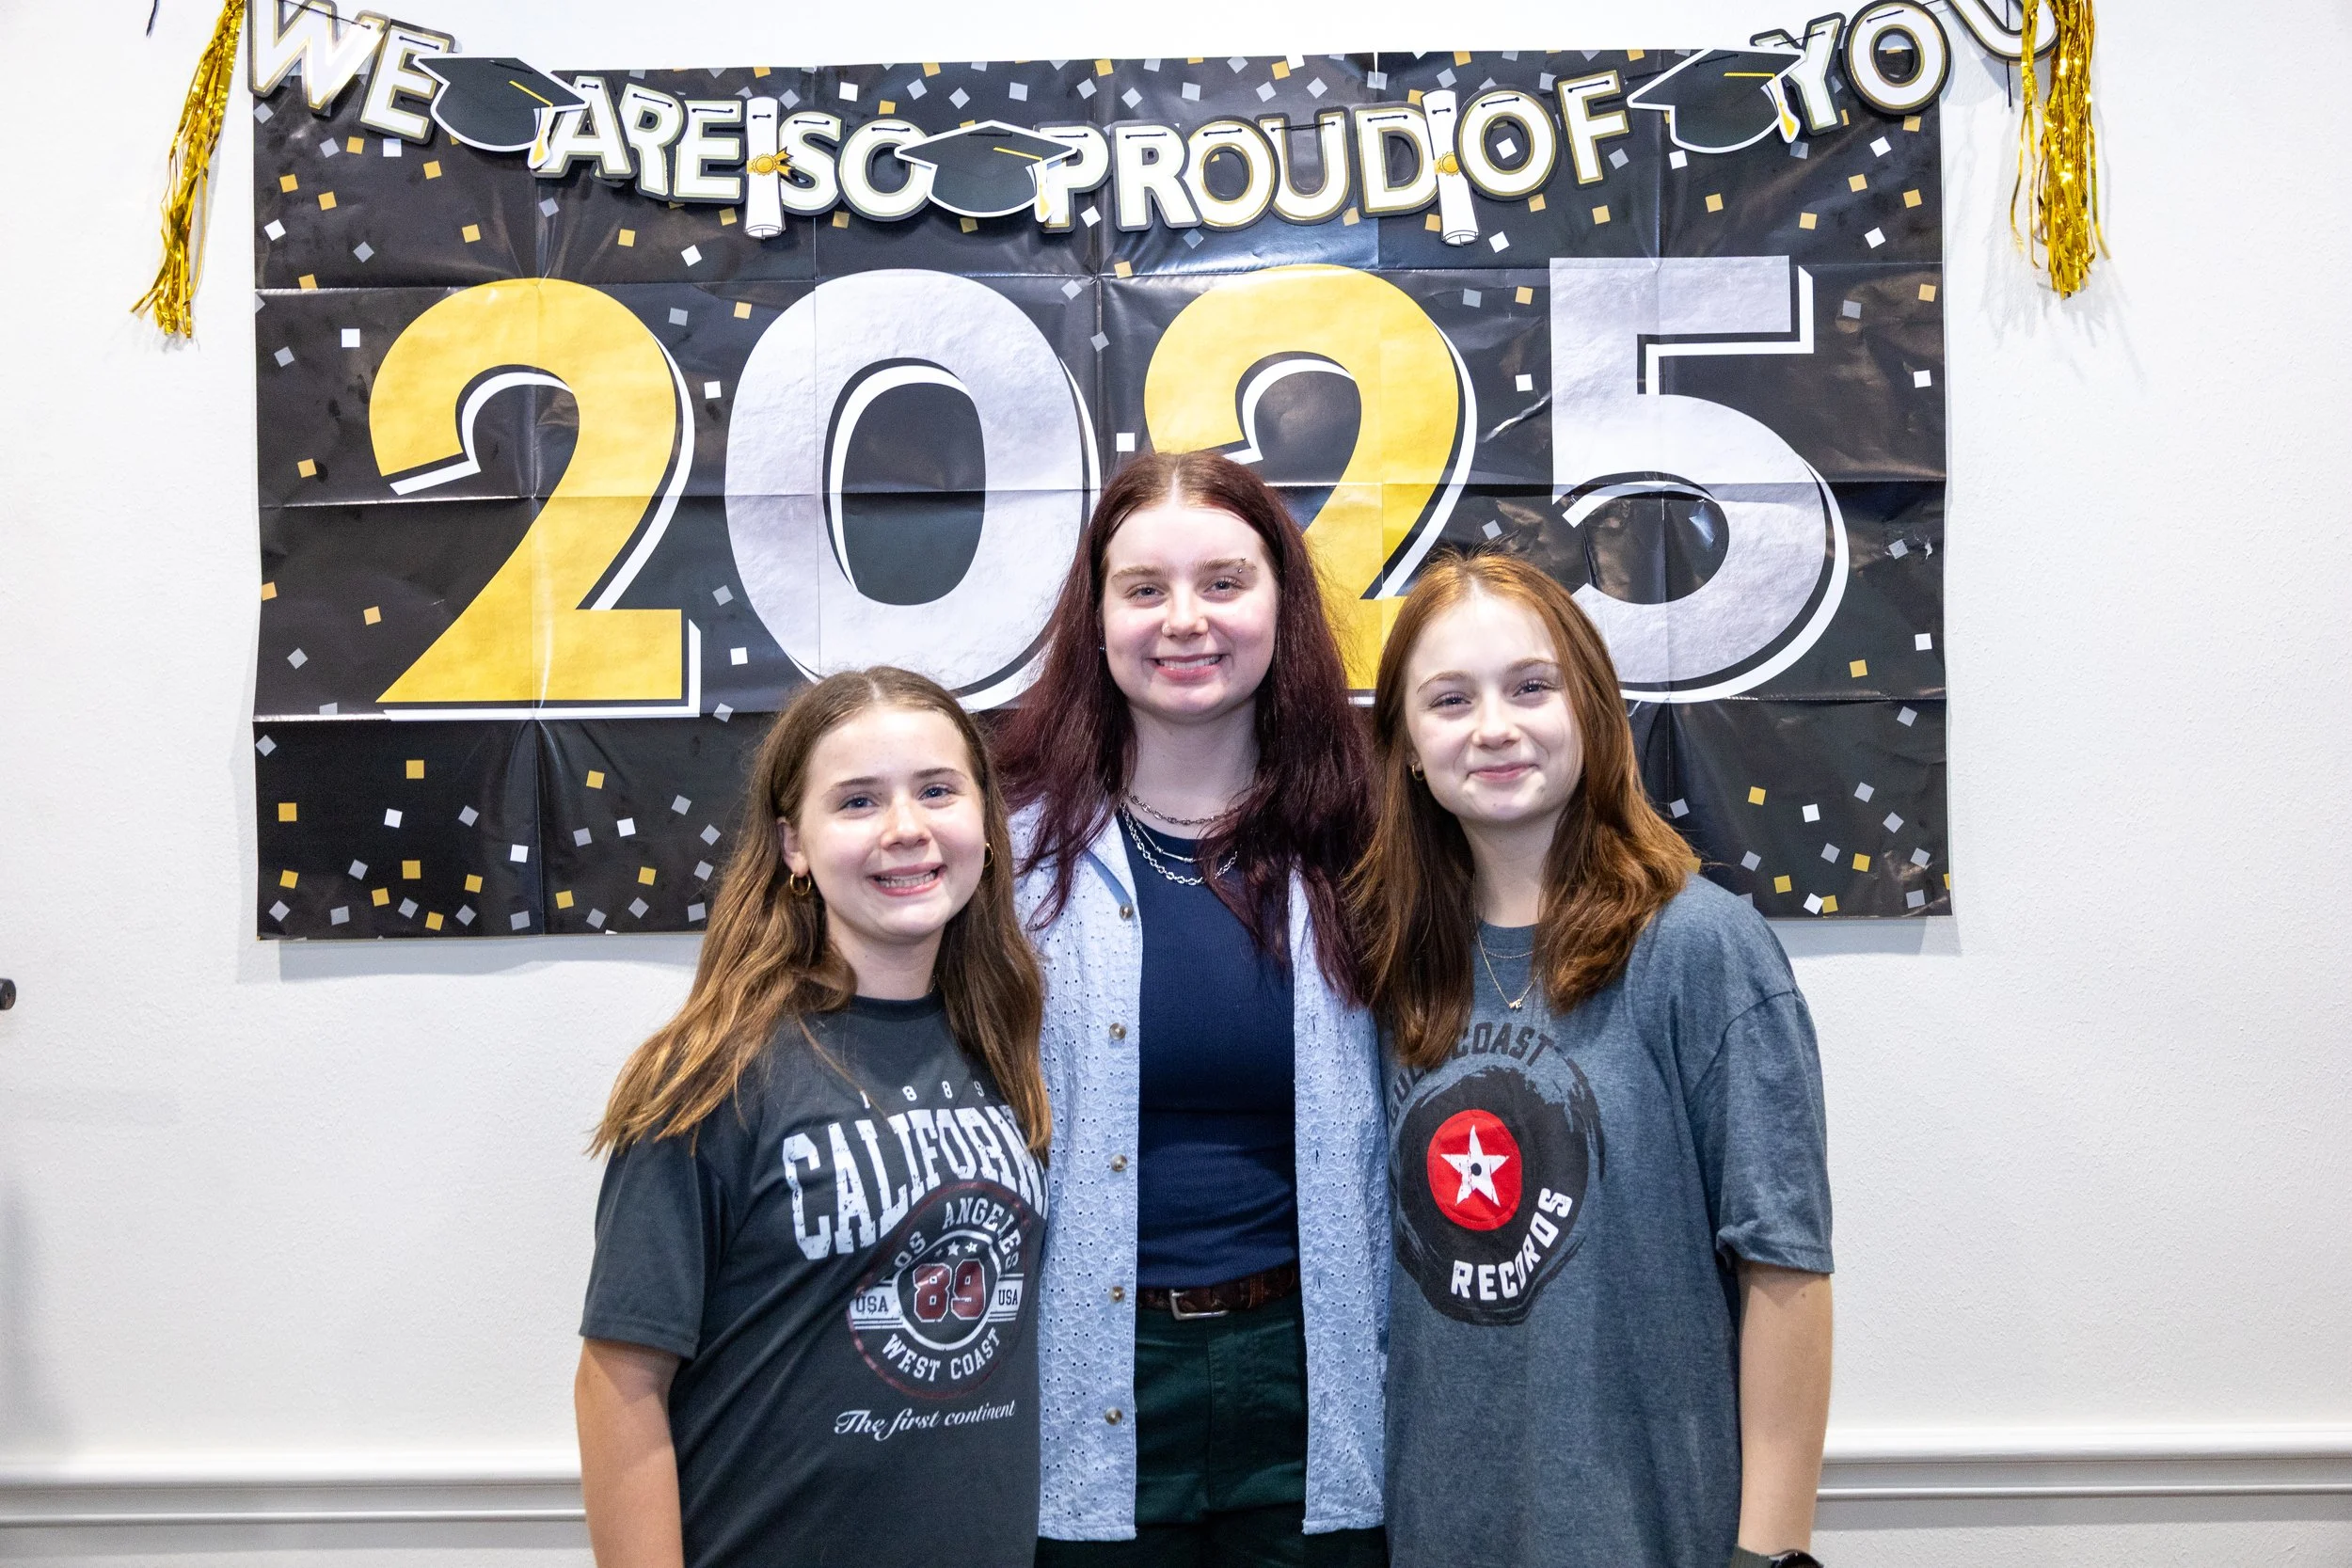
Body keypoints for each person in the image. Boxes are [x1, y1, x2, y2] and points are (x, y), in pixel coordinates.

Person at [1351, 551, 1835, 1568]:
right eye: (1449, 699)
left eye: (1531, 686)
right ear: (1402, 745)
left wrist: (1772, 1551)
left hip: (1653, 1531)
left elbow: (1784, 1262)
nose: (1493, 726)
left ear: (1593, 707)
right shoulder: (1385, 963)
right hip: (1432, 1531)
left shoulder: (1701, 948)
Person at [995, 451, 1389, 1564]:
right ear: (1097, 614)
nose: (1185, 620)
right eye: (1143, 588)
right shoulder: (1004, 849)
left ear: (1280, 603)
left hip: (1316, 1375)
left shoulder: (1365, 836)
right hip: (1088, 1375)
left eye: (1224, 581)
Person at [575, 667, 1051, 1568]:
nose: (906, 829)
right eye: (859, 801)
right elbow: (618, 1382)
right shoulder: (711, 1075)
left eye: (938, 790)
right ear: (795, 843)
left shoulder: (1009, 1046)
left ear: (986, 823)